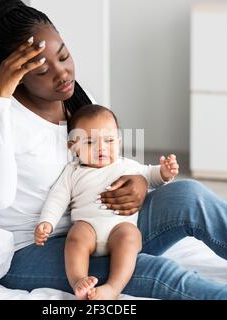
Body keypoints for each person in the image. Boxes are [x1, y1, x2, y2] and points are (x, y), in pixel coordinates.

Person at [0, 0, 227, 299]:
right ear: (12, 74)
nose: (62, 74)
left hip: (100, 222)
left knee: (189, 196)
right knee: (154, 270)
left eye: (64, 56)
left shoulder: (72, 99)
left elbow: (106, 162)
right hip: (35, 249)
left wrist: (137, 182)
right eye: (43, 70)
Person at [34, 105, 179, 300]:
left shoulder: (127, 165)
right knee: (75, 238)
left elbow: (151, 175)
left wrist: (165, 172)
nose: (101, 148)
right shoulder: (72, 172)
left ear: (118, 142)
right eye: (90, 142)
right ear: (73, 147)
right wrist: (47, 222)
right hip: (88, 228)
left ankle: (112, 288)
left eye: (109, 141)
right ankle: (79, 280)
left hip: (119, 227)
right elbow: (57, 198)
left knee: (130, 238)